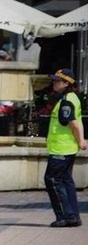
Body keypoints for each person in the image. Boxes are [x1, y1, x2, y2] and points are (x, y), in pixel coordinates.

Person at [44, 68, 86, 227]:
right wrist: (80, 140)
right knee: (66, 180)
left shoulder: (66, 101)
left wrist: (81, 140)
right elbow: (78, 121)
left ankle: (65, 217)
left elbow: (73, 123)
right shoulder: (71, 98)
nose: (54, 83)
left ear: (66, 83)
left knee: (53, 180)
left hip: (61, 149)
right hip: (67, 148)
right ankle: (73, 216)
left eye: (57, 81)